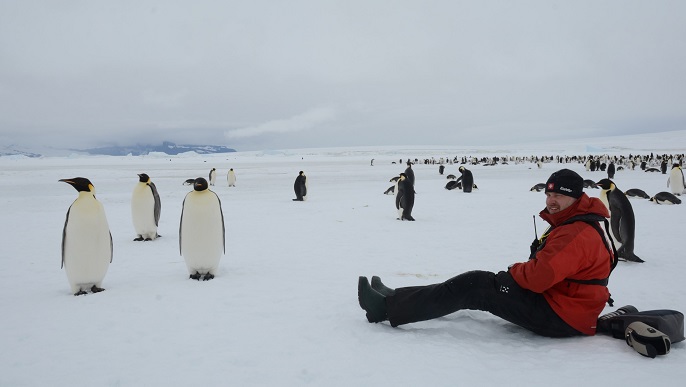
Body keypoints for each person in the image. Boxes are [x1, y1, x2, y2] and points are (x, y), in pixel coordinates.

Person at [358, 169, 615, 337]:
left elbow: (540, 276)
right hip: (565, 304)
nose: (551, 200)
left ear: (576, 197)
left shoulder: (577, 232)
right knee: (476, 282)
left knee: (475, 285)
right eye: (549, 193)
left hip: (562, 314)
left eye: (559, 195)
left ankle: (385, 309)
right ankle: (396, 297)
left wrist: (514, 272)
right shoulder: (579, 223)